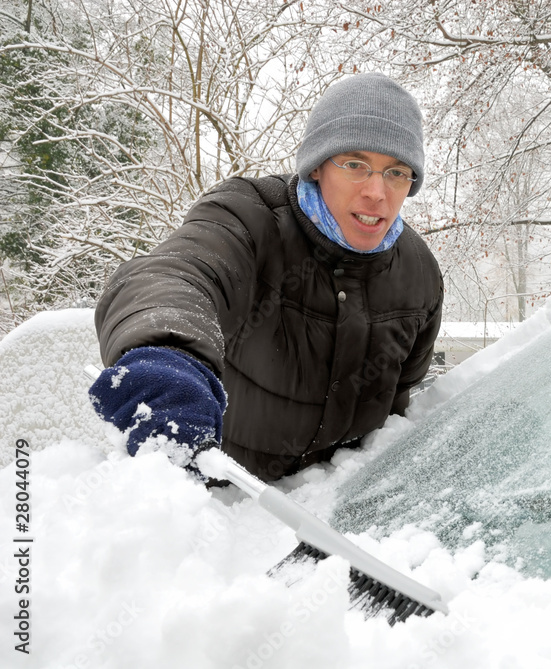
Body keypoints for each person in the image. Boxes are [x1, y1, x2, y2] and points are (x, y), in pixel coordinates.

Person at [88, 73, 443, 482]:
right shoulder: (250, 219)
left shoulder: (419, 274)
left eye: (397, 172)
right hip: (225, 507)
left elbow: (404, 404)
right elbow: (179, 273)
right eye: (355, 165)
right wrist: (167, 355)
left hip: (340, 519)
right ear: (316, 168)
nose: (378, 192)